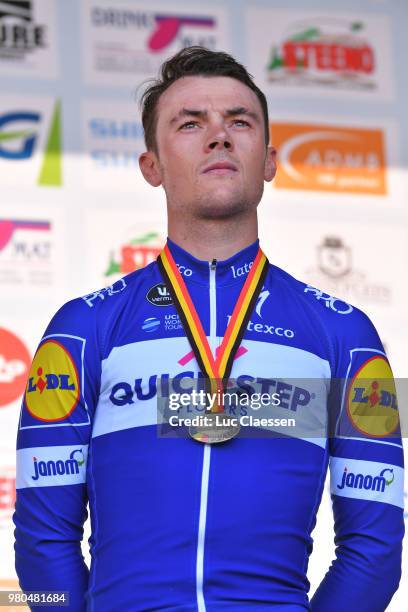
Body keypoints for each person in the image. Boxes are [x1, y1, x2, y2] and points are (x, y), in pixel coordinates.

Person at [14, 46, 404, 611]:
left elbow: (374, 549)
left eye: (239, 122)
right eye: (190, 123)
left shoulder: (342, 333)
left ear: (269, 160)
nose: (219, 137)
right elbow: (42, 543)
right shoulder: (85, 327)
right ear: (152, 165)